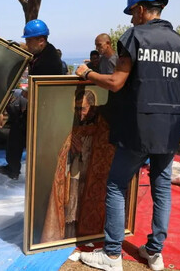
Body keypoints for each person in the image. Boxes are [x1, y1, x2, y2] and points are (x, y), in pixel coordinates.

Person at [76, 0, 180, 271]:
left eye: (132, 12)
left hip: (139, 128)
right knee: (162, 187)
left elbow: (117, 82)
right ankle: (154, 253)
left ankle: (112, 254)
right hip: (171, 130)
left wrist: (88, 72)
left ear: (141, 9)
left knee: (117, 186)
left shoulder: (135, 37)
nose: (131, 19)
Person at [40, 88, 115, 243]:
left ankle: (88, 235)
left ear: (93, 107)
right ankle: (70, 235)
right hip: (74, 173)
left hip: (90, 177)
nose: (80, 113)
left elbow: (103, 154)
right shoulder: (71, 126)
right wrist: (68, 150)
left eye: (83, 109)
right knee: (72, 206)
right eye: (77, 108)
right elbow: (58, 152)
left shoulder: (102, 128)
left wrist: (83, 151)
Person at [0, 19, 63, 180]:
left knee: (25, 137)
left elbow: (42, 90)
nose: (26, 43)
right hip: (37, 106)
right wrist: (16, 46)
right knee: (17, 134)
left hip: (44, 109)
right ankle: (13, 168)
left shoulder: (48, 61)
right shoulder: (44, 50)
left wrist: (25, 94)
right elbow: (27, 48)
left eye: (29, 40)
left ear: (41, 40)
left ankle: (36, 175)